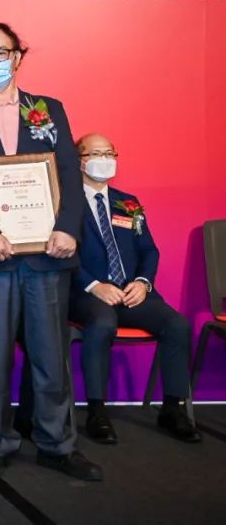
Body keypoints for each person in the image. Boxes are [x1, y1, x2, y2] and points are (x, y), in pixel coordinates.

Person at [0, 20, 102, 482]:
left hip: (46, 254)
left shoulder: (48, 110)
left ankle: (57, 444)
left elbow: (69, 174)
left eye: (0, 52)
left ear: (17, 56)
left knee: (51, 354)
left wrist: (67, 228)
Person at [70, 132, 199, 444]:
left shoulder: (127, 203)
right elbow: (61, 253)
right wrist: (94, 285)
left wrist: (142, 283)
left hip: (130, 292)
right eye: (96, 153)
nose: (104, 160)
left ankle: (172, 409)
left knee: (177, 325)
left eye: (109, 153)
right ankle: (97, 411)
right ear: (79, 161)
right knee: (103, 323)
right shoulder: (65, 203)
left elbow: (149, 251)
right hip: (86, 294)